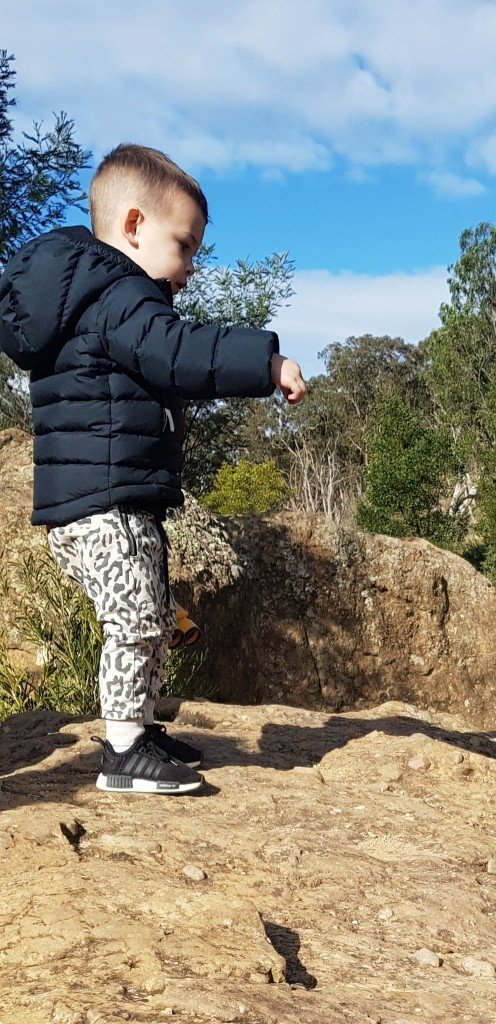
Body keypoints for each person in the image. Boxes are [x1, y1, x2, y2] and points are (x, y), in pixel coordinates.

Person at [0, 143, 306, 794]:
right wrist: (266, 363)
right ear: (134, 226)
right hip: (100, 503)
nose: (191, 266)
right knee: (137, 618)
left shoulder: (94, 299)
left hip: (104, 498)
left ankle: (138, 727)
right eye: (185, 245)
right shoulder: (120, 296)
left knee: (153, 614)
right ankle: (123, 752)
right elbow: (178, 354)